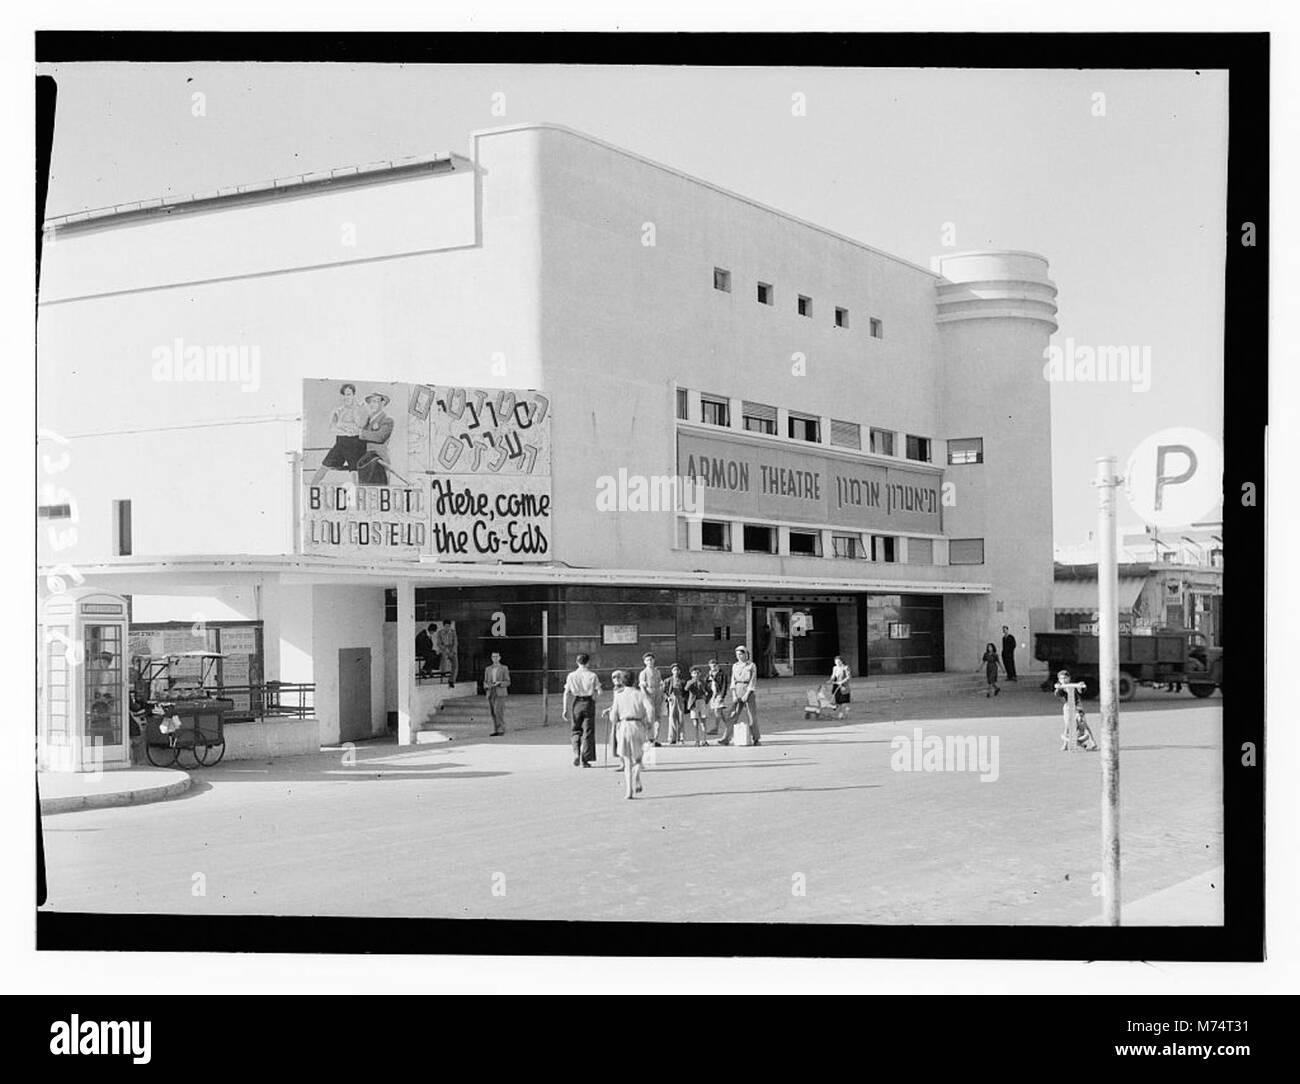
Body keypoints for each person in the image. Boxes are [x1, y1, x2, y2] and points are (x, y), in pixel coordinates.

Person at [310, 382, 367, 486]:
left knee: (354, 471)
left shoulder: (359, 408)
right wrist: (344, 427)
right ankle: (311, 488)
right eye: (344, 394)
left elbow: (359, 426)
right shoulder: (338, 411)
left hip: (355, 444)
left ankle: (357, 496)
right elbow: (331, 428)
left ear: (354, 395)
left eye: (349, 394)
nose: (346, 397)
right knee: (324, 467)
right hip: (341, 443)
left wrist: (341, 425)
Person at [608, 669, 650, 799]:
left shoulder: (619, 695)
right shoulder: (640, 694)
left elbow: (613, 717)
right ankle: (637, 776)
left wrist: (613, 718)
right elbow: (650, 709)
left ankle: (629, 790)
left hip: (624, 726)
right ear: (635, 681)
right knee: (638, 759)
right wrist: (649, 723)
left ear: (623, 681)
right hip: (638, 725)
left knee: (626, 760)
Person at [562, 653, 602, 767]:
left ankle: (576, 753)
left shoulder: (571, 676)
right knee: (588, 731)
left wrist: (565, 708)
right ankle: (585, 758)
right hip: (588, 702)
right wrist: (595, 699)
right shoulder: (592, 675)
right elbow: (599, 691)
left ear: (577, 662)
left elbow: (566, 693)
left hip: (576, 702)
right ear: (588, 662)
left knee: (575, 729)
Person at [720, 645, 761, 746]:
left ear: (746, 654)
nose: (739, 656)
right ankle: (726, 738)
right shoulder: (735, 666)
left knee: (751, 715)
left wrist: (747, 693)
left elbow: (753, 680)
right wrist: (734, 694)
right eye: (737, 655)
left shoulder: (751, 666)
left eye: (741, 654)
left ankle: (756, 738)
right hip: (738, 688)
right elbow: (733, 681)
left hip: (748, 689)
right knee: (733, 714)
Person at [638, 653, 664, 747]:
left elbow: (660, 683)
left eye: (651, 659)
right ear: (644, 662)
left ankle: (656, 738)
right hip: (648, 695)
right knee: (650, 717)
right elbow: (642, 686)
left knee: (658, 717)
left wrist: (661, 693)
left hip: (657, 695)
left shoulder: (657, 672)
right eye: (648, 660)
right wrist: (646, 698)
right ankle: (649, 738)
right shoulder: (643, 673)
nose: (650, 661)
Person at [483, 652, 510, 735]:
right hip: (491, 691)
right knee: (493, 712)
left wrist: (500, 683)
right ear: (491, 658)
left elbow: (508, 682)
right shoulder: (488, 669)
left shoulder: (504, 668)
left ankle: (501, 729)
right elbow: (485, 681)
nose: (495, 658)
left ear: (499, 658)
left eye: (496, 656)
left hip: (500, 692)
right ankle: (496, 730)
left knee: (498, 710)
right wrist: (486, 685)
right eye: (493, 656)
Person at [684, 666, 710, 746]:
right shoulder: (689, 682)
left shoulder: (703, 682)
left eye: (698, 673)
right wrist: (693, 681)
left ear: (700, 673)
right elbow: (686, 689)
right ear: (691, 674)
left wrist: (707, 700)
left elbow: (710, 691)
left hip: (701, 701)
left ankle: (704, 740)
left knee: (703, 721)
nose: (696, 675)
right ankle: (697, 740)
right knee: (695, 722)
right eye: (694, 673)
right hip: (693, 703)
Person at [705, 657, 728, 736]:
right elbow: (706, 683)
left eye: (715, 665)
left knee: (717, 711)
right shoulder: (709, 674)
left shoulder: (722, 674)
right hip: (712, 694)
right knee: (720, 713)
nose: (713, 667)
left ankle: (716, 728)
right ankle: (729, 726)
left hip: (718, 694)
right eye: (712, 666)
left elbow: (724, 685)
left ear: (718, 666)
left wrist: (722, 695)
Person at [665, 664, 687, 744]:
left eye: (677, 670)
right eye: (674, 670)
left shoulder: (683, 681)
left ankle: (681, 737)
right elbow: (664, 690)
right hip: (672, 699)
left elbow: (686, 691)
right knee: (672, 718)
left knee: (681, 718)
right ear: (672, 671)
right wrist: (667, 697)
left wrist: (684, 698)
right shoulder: (668, 680)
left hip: (680, 699)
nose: (676, 671)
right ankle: (672, 738)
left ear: (680, 671)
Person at [434, 620, 459, 687]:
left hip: (452, 649)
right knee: (444, 657)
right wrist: (445, 649)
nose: (447, 627)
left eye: (448, 626)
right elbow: (439, 644)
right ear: (443, 626)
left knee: (455, 664)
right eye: (446, 626)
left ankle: (452, 680)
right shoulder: (440, 633)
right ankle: (443, 671)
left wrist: (453, 651)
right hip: (444, 649)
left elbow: (455, 643)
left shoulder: (453, 632)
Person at [830, 655, 853, 720]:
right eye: (836, 662)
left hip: (844, 686)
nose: (837, 663)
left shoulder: (845, 667)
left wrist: (842, 682)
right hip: (836, 686)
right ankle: (843, 710)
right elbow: (833, 676)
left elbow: (849, 677)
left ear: (842, 661)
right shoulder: (835, 668)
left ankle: (841, 713)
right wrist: (831, 680)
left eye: (839, 662)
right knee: (838, 701)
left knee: (843, 701)